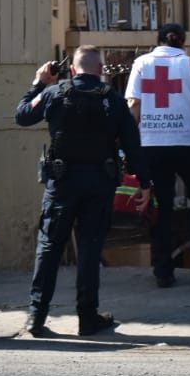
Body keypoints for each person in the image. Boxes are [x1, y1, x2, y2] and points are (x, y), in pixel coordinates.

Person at [15, 45, 150, 337]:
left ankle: (36, 317)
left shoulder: (54, 93)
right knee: (89, 250)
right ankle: (87, 317)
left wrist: (39, 82)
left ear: (73, 69)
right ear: (101, 70)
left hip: (62, 184)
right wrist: (145, 182)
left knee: (49, 247)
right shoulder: (112, 100)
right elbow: (133, 145)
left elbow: (23, 115)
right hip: (98, 184)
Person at [126, 22, 190, 287]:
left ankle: (162, 269)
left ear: (158, 41)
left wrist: (127, 142)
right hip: (186, 142)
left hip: (151, 144)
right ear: (182, 42)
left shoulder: (141, 64)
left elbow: (134, 105)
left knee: (161, 204)